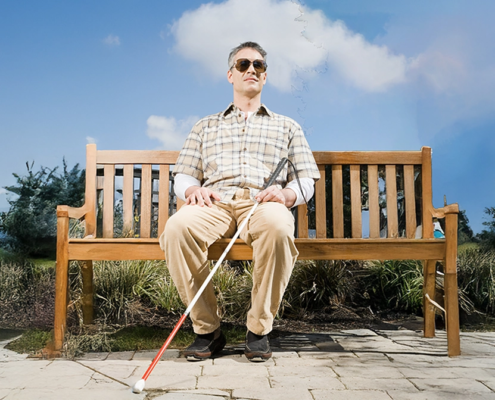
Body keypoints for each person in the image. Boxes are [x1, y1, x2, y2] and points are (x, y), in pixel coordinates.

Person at [159, 41, 320, 362]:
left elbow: (305, 178)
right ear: (230, 74)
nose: (251, 70)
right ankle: (207, 330)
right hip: (214, 202)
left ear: (265, 77)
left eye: (258, 65)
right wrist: (192, 190)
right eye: (244, 64)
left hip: (263, 204)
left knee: (277, 228)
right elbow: (185, 175)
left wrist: (287, 194)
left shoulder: (287, 126)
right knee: (177, 228)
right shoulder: (205, 125)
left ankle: (258, 330)